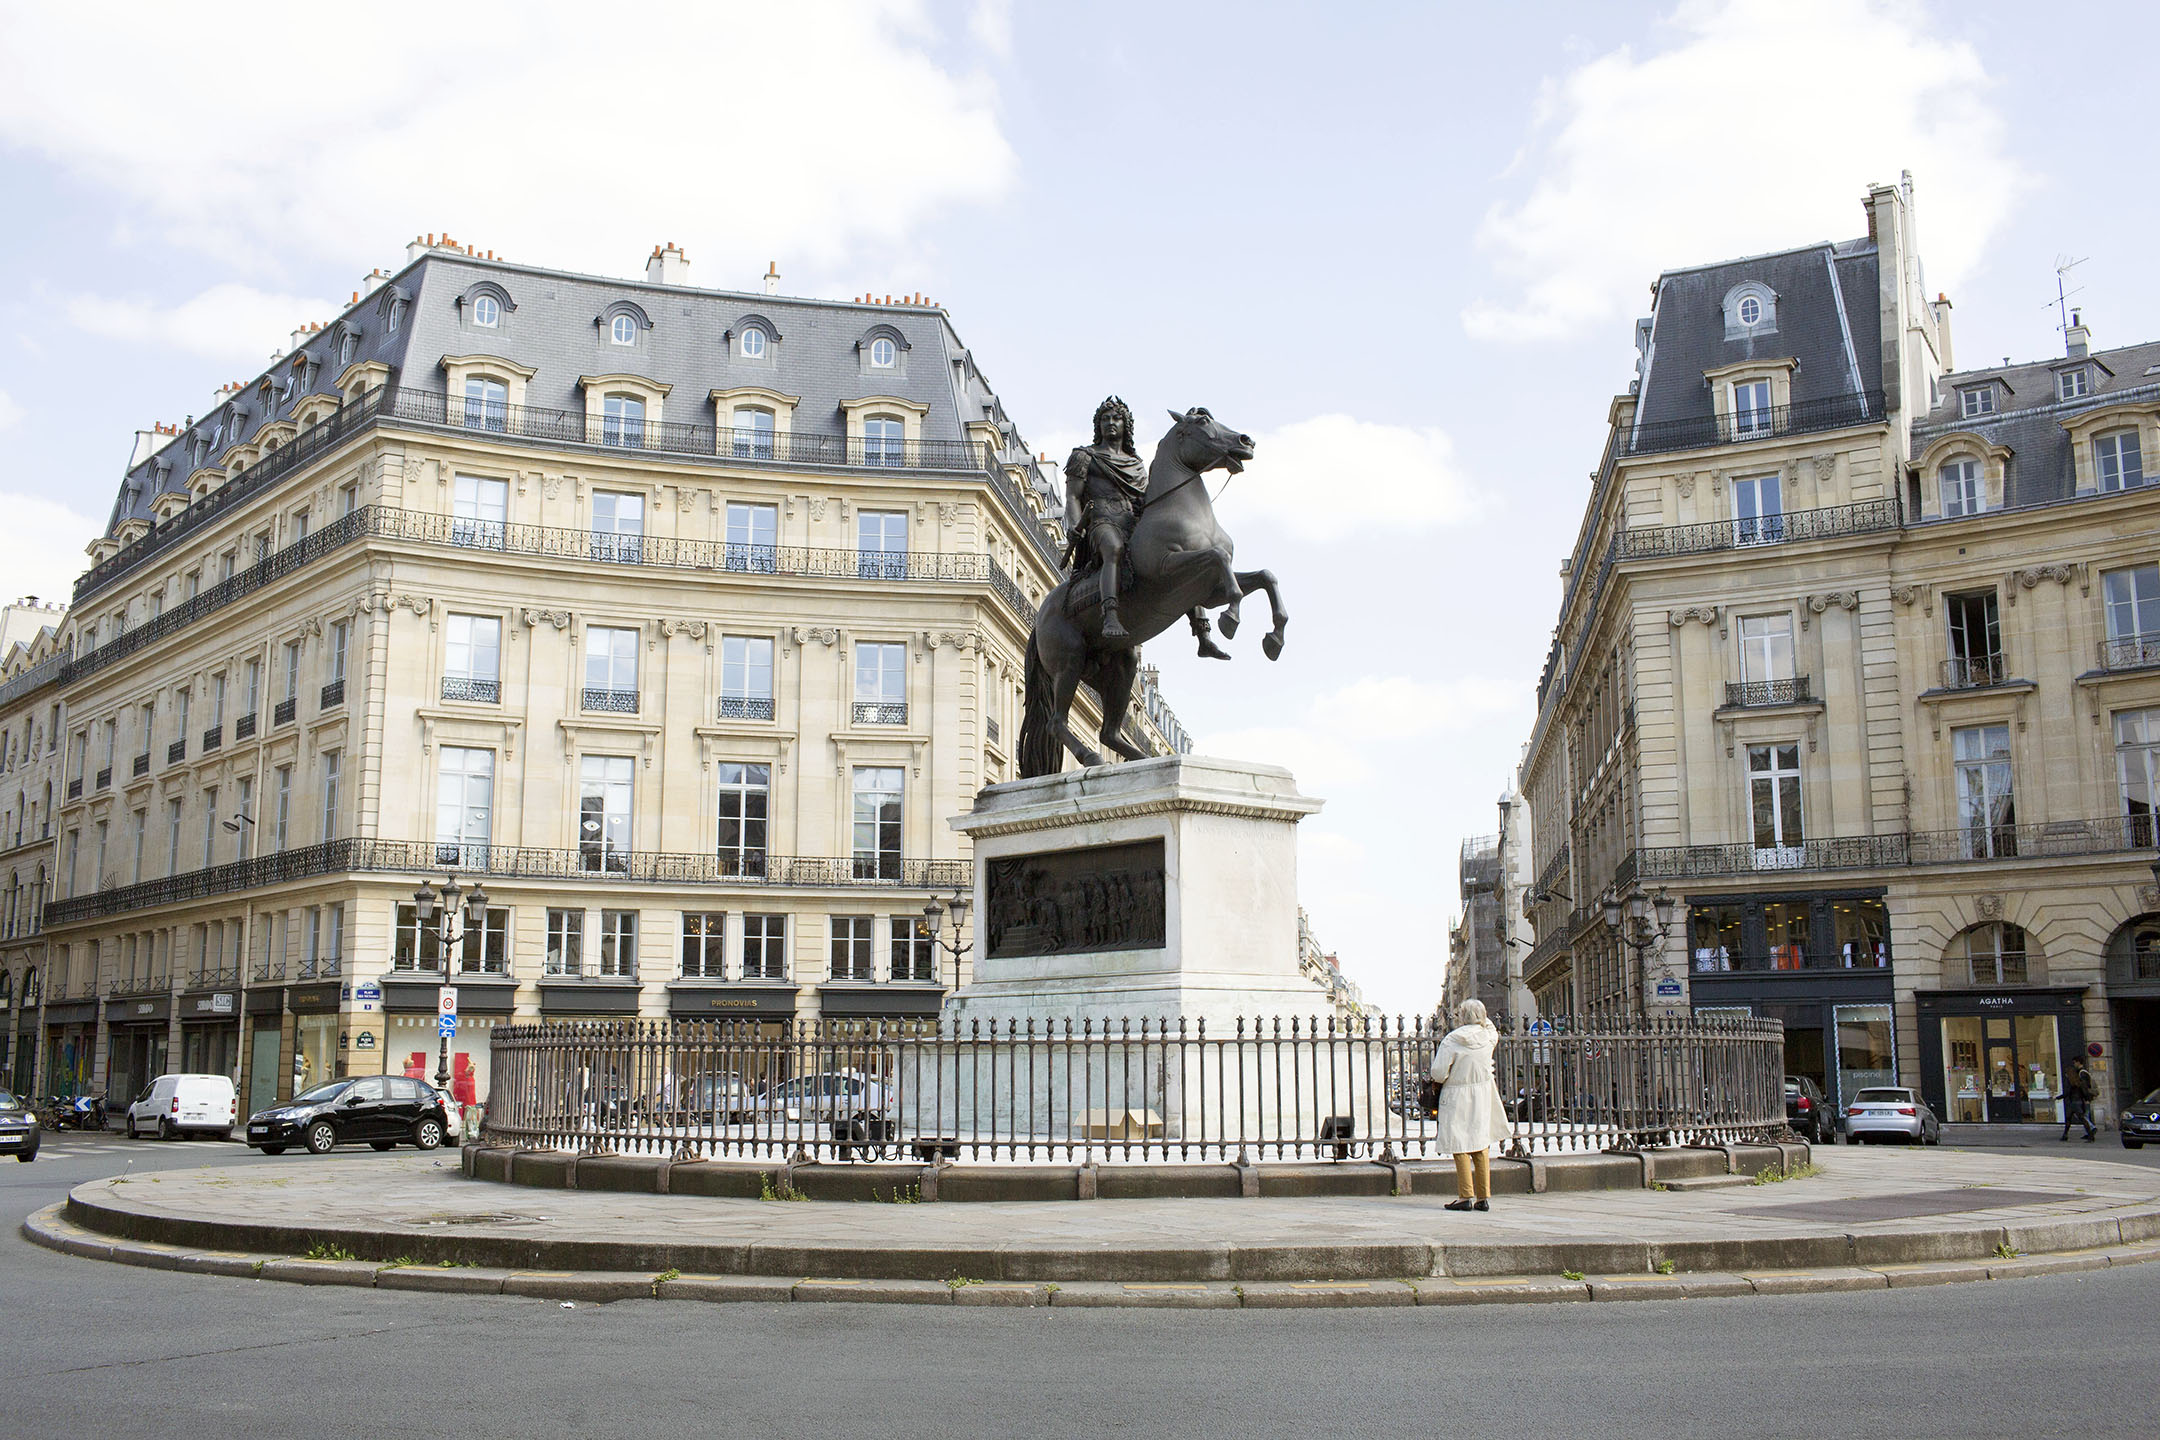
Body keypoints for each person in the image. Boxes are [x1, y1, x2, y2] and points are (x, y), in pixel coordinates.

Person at [1429, 998, 1513, 1212]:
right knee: (1480, 1142)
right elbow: (1492, 1027)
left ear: (1462, 1017)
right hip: (1482, 1092)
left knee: (1460, 1144)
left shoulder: (1452, 1039)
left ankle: (1465, 1195)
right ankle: (1483, 1197)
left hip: (1457, 1092)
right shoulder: (1488, 1036)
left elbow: (1438, 1073)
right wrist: (1483, 1021)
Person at [2062, 1065, 2097, 1142]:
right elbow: (2083, 1092)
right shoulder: (2078, 1082)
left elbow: (2068, 1093)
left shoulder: (2071, 1083)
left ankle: (2090, 1135)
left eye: (2066, 1073)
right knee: (2070, 1118)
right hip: (2079, 1102)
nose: (2066, 1075)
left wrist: (2059, 1097)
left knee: (2080, 1119)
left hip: (2074, 1103)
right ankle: (2065, 1135)